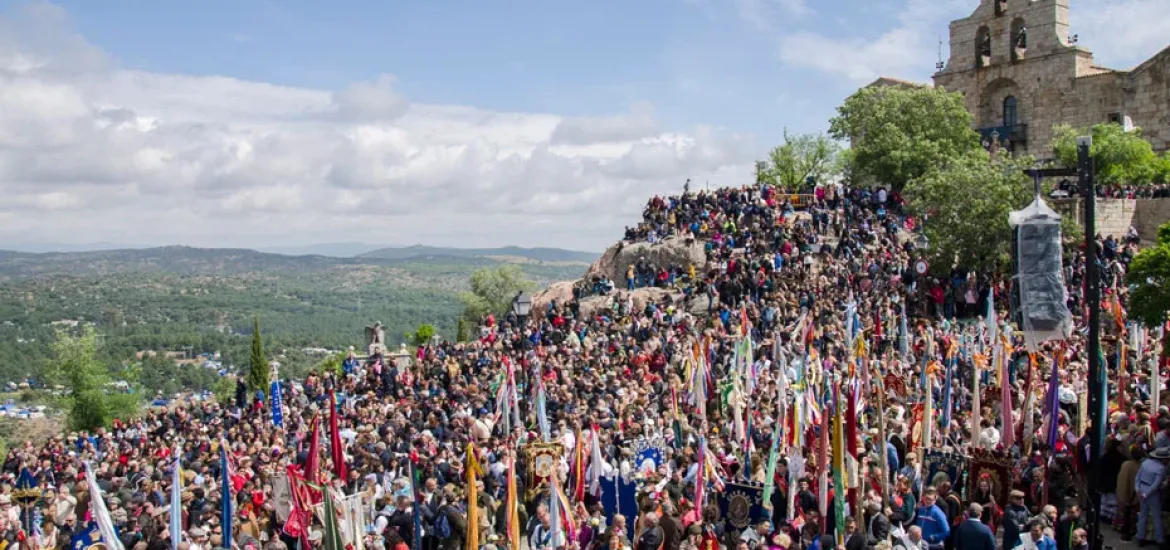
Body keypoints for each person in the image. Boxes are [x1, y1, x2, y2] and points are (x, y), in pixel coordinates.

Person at [1135, 447, 1170, 546]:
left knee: (1142, 515)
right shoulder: (1161, 468)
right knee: (1157, 517)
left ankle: (1140, 537)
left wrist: (1138, 490)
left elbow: (1137, 477)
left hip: (1142, 488)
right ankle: (1160, 540)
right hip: (1152, 493)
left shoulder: (1145, 463)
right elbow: (1156, 485)